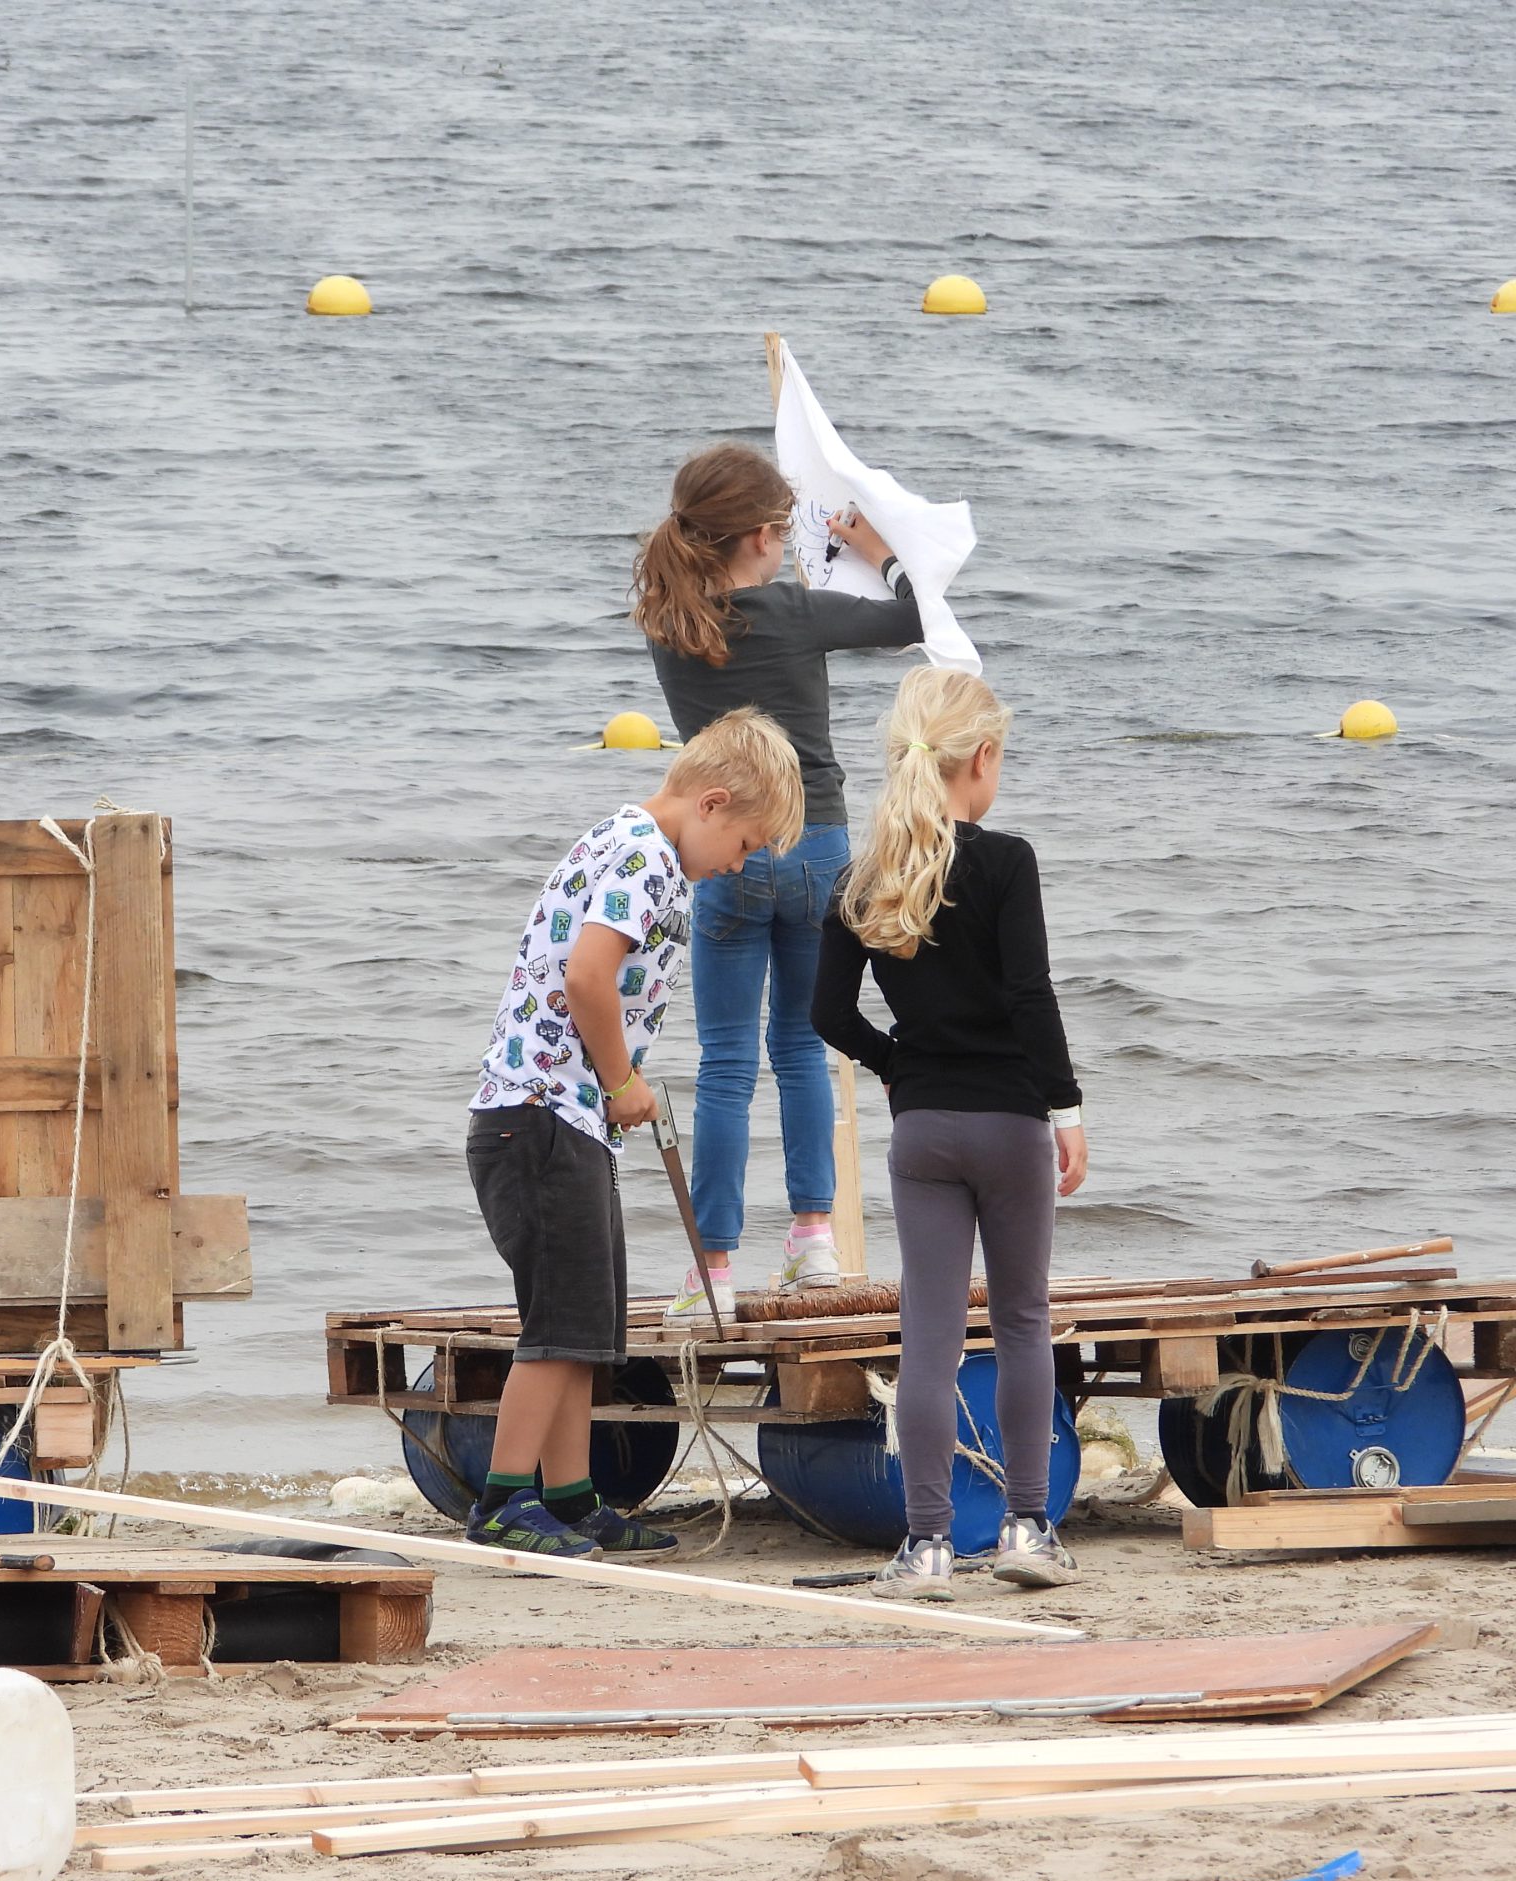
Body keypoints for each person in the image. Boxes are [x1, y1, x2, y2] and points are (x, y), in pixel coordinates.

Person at [466, 708, 807, 1556]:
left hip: (556, 1120)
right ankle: (504, 1503)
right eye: (746, 845)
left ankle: (573, 1497)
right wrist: (622, 1081)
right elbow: (588, 976)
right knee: (556, 1329)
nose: (741, 865)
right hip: (544, 1115)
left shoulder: (628, 838)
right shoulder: (646, 856)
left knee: (585, 1326)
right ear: (713, 805)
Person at [811, 667, 1088, 1592]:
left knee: (928, 1333)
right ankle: (1024, 1530)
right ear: (985, 759)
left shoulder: (865, 876)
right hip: (1011, 1124)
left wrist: (899, 1067)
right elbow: (1029, 995)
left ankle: (926, 1541)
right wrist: (1066, 1107)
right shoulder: (1009, 862)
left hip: (923, 1129)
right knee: (1020, 1322)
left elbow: (827, 1013)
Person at [635, 442, 924, 1319]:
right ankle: (813, 1242)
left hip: (725, 847)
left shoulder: (668, 623)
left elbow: (741, 616)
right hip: (818, 845)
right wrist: (877, 552)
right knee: (801, 1048)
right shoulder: (799, 611)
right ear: (765, 536)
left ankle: (714, 1265)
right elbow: (912, 618)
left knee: (725, 1062)